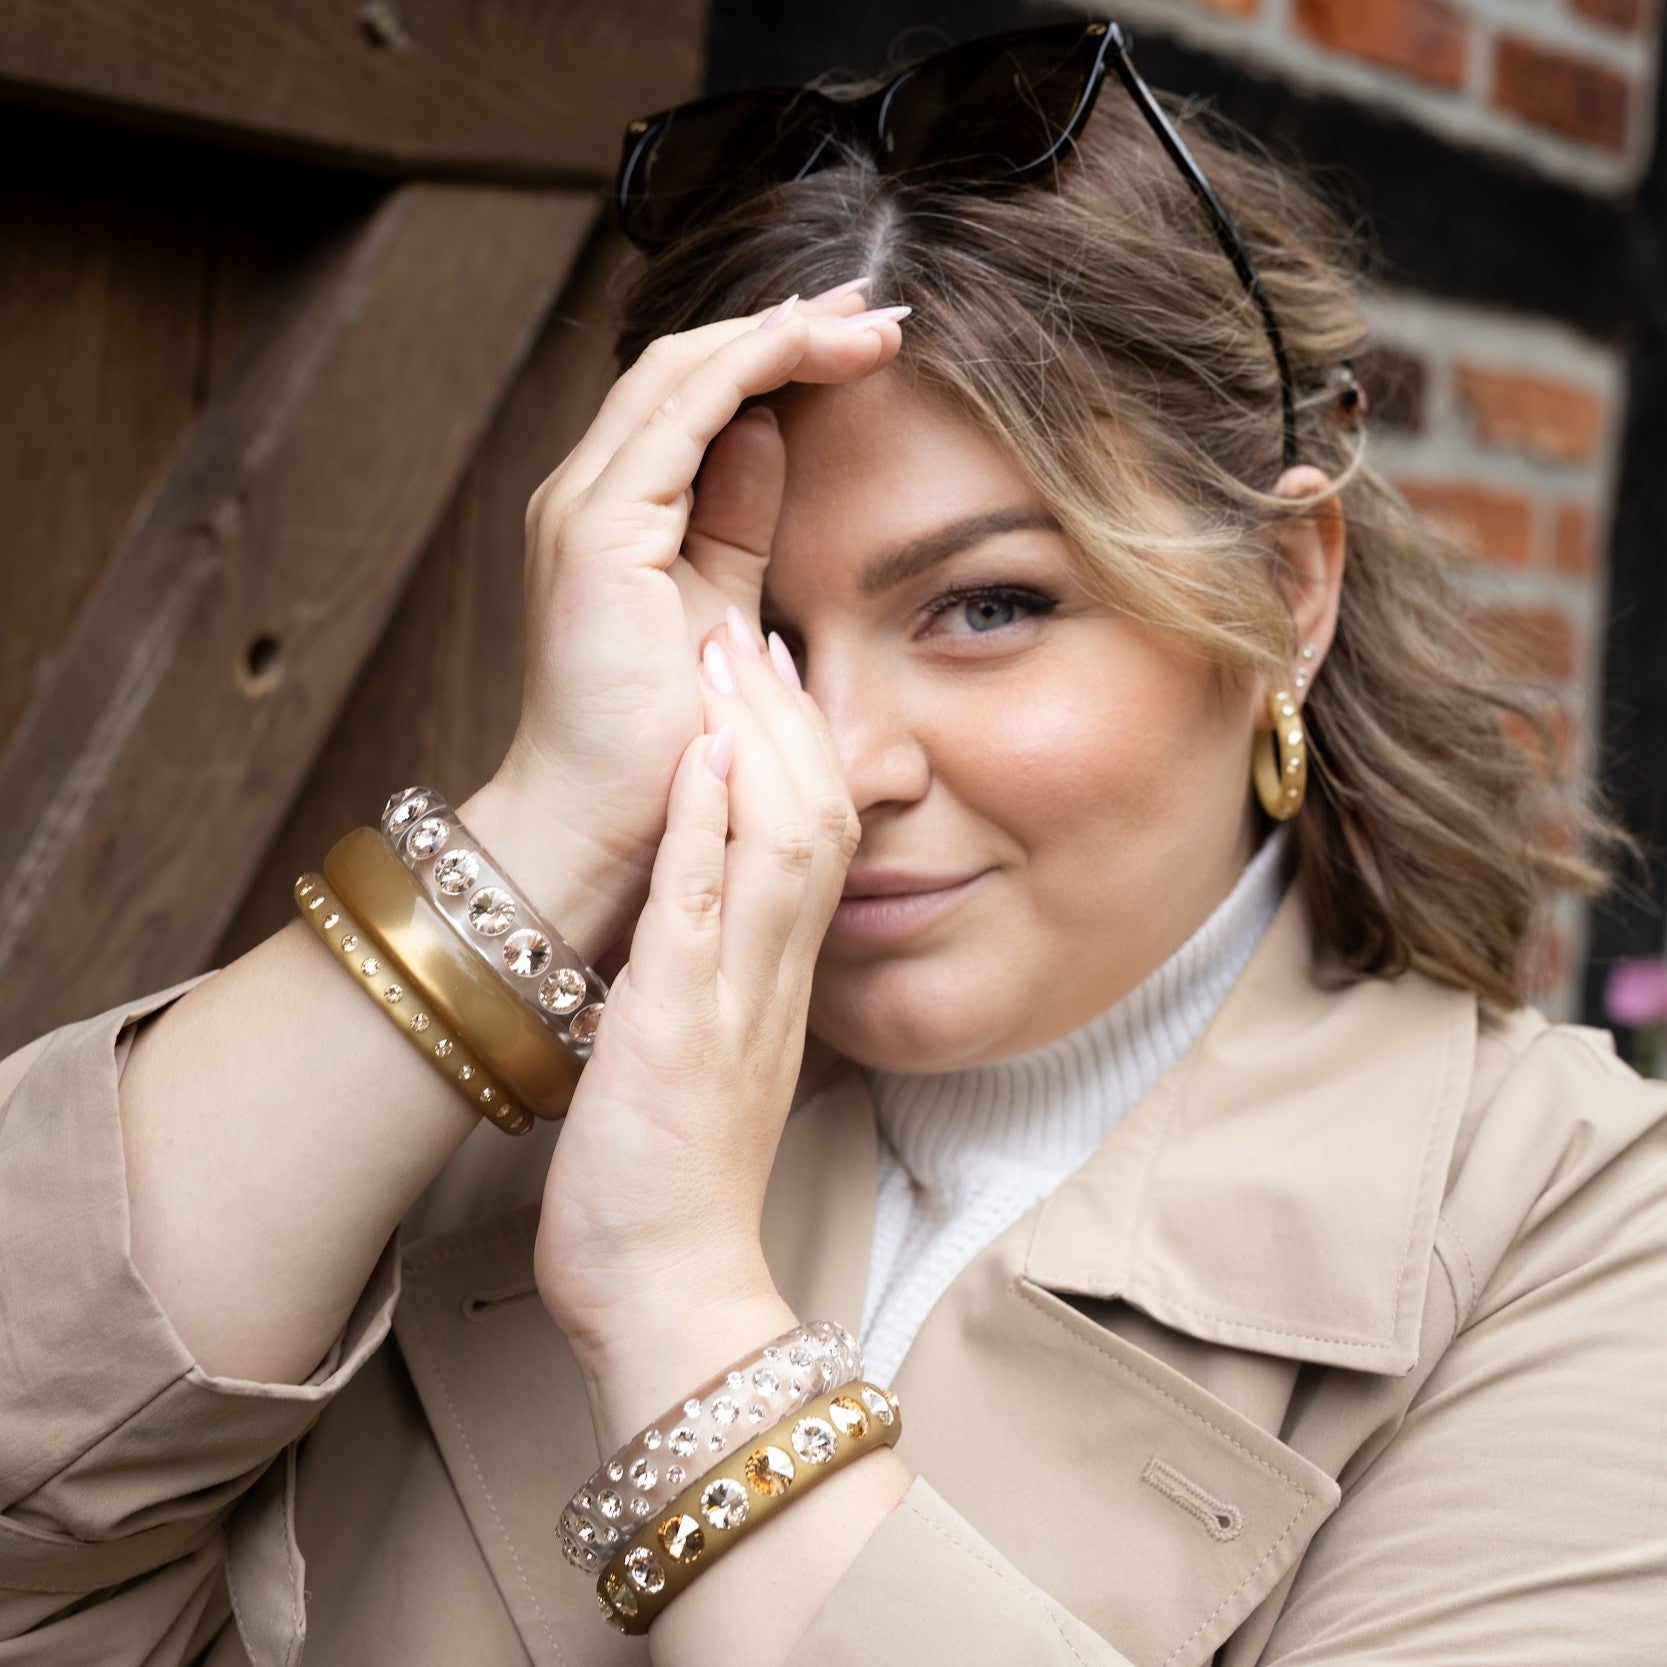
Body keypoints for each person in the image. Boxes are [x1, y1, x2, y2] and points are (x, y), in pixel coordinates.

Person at [2, 17, 1663, 1665]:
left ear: (1287, 596)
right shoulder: (448, 1117)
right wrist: (543, 836)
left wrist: (677, 1300)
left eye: (988, 606)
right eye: (760, 639)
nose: (841, 760)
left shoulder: (1574, 1227)